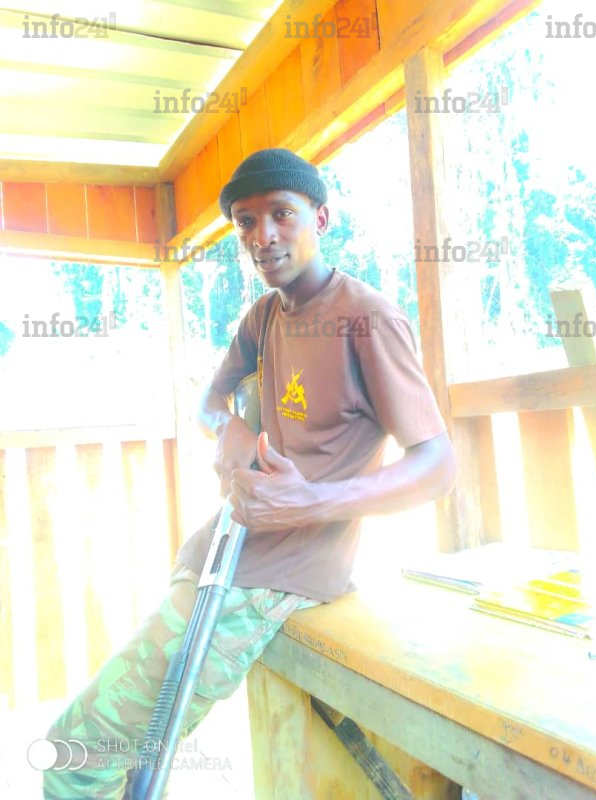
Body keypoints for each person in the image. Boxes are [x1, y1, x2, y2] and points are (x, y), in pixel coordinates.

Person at [43, 148, 455, 799]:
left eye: (281, 215)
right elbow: (209, 403)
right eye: (246, 221)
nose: (263, 236)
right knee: (131, 760)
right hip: (222, 554)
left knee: (75, 758)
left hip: (275, 578)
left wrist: (311, 501)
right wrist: (228, 430)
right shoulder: (263, 318)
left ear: (321, 218)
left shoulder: (368, 318)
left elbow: (437, 467)